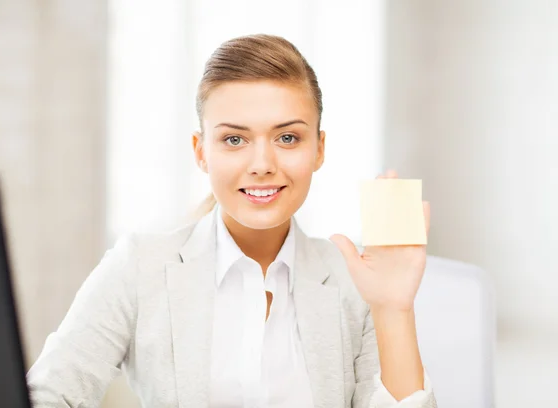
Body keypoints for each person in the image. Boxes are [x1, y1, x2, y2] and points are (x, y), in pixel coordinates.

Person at [27, 34, 437, 408]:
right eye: (234, 139)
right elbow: (47, 394)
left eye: (288, 137)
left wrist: (393, 309)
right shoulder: (139, 266)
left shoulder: (353, 283)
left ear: (319, 149)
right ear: (201, 151)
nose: (262, 165)